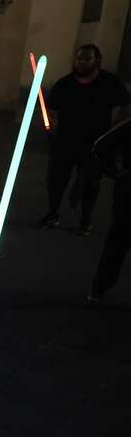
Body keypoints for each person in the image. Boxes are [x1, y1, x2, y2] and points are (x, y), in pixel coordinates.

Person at [38, 44, 130, 235]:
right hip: (64, 142)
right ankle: (53, 213)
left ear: (96, 61)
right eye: (78, 58)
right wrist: (51, 123)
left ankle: (85, 220)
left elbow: (126, 106)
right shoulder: (65, 84)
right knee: (55, 180)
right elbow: (52, 110)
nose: (80, 62)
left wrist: (114, 130)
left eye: (86, 59)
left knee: (91, 184)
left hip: (94, 144)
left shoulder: (108, 82)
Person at [89, 117, 131, 301]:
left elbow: (101, 146)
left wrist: (114, 172)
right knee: (118, 239)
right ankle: (99, 287)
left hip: (128, 188)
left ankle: (98, 289)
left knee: (118, 240)